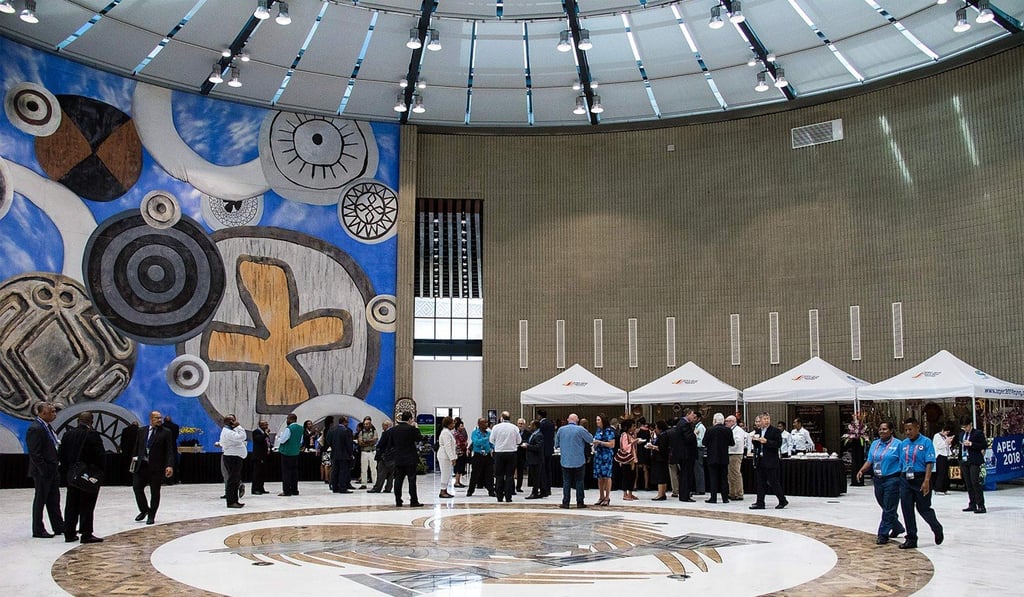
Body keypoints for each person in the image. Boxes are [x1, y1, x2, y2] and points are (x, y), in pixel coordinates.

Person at [58, 411, 105, 544]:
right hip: (87, 475)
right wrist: (99, 473)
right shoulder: (92, 435)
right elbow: (100, 455)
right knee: (87, 505)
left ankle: (69, 532)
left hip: (72, 474)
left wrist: (68, 471)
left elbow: (61, 454)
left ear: (78, 421)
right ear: (91, 421)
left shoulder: (67, 434)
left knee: (71, 504)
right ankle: (86, 533)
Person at [855, 421, 906, 544]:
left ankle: (882, 534)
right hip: (878, 479)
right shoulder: (875, 444)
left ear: (891, 431)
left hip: (892, 479)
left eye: (884, 429)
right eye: (880, 429)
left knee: (889, 507)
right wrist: (861, 470)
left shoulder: (898, 444)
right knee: (884, 505)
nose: (882, 431)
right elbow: (870, 460)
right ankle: (898, 527)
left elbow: (904, 462)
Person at [897, 417, 943, 549]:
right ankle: (911, 538)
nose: (907, 432)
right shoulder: (903, 444)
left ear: (918, 428)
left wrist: (927, 480)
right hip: (906, 478)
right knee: (907, 508)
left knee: (923, 508)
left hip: (921, 477)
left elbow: (930, 462)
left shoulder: (926, 442)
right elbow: (901, 462)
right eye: (905, 430)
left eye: (910, 429)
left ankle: (936, 527)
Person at [26, 401, 64, 538]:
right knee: (40, 500)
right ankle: (38, 529)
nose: (55, 414)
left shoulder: (47, 427)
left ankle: (59, 526)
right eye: (52, 411)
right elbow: (35, 453)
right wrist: (44, 469)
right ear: (42, 413)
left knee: (54, 499)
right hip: (43, 472)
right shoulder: (35, 428)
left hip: (53, 470)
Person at [133, 410, 175, 525]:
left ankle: (152, 515)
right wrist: (133, 462)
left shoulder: (166, 432)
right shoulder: (142, 431)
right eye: (157, 418)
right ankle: (144, 510)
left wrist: (169, 465)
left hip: (156, 467)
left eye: (160, 418)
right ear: (151, 419)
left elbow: (169, 450)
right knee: (137, 488)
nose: (159, 420)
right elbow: (137, 448)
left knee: (155, 492)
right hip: (141, 466)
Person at [381, 411, 423, 507]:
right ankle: (414, 500)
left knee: (398, 480)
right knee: (412, 480)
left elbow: (389, 443)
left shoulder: (394, 430)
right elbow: (419, 438)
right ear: (409, 419)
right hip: (410, 458)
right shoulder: (411, 429)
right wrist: (416, 428)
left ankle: (398, 500)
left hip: (399, 458)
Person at [554, 413, 594, 509]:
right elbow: (590, 439)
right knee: (579, 481)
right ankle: (580, 502)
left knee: (566, 481)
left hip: (565, 460)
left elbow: (556, 444)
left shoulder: (561, 430)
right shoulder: (581, 429)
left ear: (568, 420)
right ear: (577, 420)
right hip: (579, 460)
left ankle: (565, 502)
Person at [749, 413, 788, 510]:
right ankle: (760, 502)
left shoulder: (775, 431)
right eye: (764, 419)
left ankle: (782, 500)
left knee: (774, 482)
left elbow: (778, 444)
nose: (766, 421)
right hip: (760, 459)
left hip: (771, 460)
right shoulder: (758, 431)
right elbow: (757, 446)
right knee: (760, 482)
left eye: (768, 419)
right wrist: (755, 440)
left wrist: (767, 442)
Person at [702, 413, 734, 504]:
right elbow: (732, 443)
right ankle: (725, 498)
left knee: (713, 478)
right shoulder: (728, 430)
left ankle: (713, 498)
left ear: (714, 421)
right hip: (724, 457)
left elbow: (704, 442)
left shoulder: (709, 430)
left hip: (712, 457)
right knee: (724, 478)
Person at [959, 416, 987, 514]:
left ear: (970, 424)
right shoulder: (962, 434)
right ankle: (972, 504)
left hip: (974, 460)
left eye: (966, 427)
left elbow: (984, 445)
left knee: (975, 482)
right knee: (968, 483)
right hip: (964, 460)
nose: (964, 429)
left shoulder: (978, 433)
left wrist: (971, 444)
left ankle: (981, 505)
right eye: (963, 427)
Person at [491, 412, 520, 503]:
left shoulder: (496, 427)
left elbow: (491, 440)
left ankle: (499, 496)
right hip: (511, 453)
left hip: (499, 453)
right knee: (509, 476)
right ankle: (508, 497)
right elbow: (519, 441)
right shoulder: (514, 427)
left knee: (499, 475)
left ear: (501, 418)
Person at [219, 414, 247, 508]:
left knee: (235, 480)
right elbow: (242, 437)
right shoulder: (228, 432)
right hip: (232, 457)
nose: (235, 422)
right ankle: (231, 501)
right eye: (233, 421)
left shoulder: (230, 431)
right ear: (231, 422)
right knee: (232, 480)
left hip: (234, 457)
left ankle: (234, 500)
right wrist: (239, 426)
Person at [671, 409, 698, 502]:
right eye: (692, 414)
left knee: (684, 474)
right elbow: (688, 438)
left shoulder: (681, 423)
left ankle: (684, 494)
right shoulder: (685, 424)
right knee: (686, 475)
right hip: (686, 454)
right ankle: (685, 495)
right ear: (687, 414)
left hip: (683, 454)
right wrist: (695, 434)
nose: (693, 416)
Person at [275, 413, 303, 496]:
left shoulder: (289, 428)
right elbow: (301, 441)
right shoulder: (301, 428)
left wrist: (278, 438)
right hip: (295, 452)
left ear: (291, 419)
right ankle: (295, 490)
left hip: (287, 453)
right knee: (294, 472)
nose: (287, 421)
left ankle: (287, 491)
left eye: (287, 419)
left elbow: (283, 440)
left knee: (286, 472)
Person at [591, 414, 616, 506]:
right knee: (599, 477)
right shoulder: (598, 430)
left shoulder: (609, 431)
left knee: (607, 476)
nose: (597, 421)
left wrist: (600, 442)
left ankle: (607, 497)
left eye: (598, 420)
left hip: (606, 455)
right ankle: (601, 496)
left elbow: (612, 444)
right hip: (598, 455)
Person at [467, 417, 494, 497]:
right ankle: (470, 491)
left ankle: (491, 491)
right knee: (475, 474)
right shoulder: (475, 433)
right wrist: (486, 439)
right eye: (484, 423)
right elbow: (476, 442)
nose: (486, 424)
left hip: (487, 455)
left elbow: (491, 443)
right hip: (478, 455)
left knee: (489, 474)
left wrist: (493, 447)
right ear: (479, 424)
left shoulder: (489, 433)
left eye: (486, 422)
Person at [327, 415, 355, 493]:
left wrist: (333, 446)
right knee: (343, 471)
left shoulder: (332, 430)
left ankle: (335, 487)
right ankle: (342, 488)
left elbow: (328, 440)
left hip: (334, 454)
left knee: (335, 471)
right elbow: (348, 444)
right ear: (344, 422)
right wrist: (351, 454)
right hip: (344, 455)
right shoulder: (346, 431)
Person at [369, 419, 395, 493]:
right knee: (391, 474)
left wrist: (378, 448)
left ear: (386, 426)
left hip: (384, 456)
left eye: (383, 426)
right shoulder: (394, 432)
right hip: (393, 456)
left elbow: (381, 445)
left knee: (381, 473)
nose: (382, 428)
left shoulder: (386, 433)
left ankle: (377, 488)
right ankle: (388, 488)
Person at [617, 418, 639, 502]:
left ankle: (630, 493)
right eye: (633, 426)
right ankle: (625, 494)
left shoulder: (630, 435)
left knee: (632, 476)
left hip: (632, 458)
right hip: (627, 459)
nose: (634, 428)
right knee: (627, 476)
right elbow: (625, 447)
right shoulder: (624, 435)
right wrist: (634, 442)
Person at [726, 415, 746, 501]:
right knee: (730, 475)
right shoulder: (732, 430)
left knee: (735, 474)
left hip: (735, 453)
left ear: (732, 421)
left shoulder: (738, 430)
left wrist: (727, 444)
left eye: (727, 421)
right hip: (731, 453)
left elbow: (736, 442)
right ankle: (732, 492)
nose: (725, 423)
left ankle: (739, 493)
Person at [437, 416, 457, 498]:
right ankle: (442, 491)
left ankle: (445, 490)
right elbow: (448, 446)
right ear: (448, 424)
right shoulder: (445, 433)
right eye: (452, 423)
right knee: (445, 473)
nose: (453, 424)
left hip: (446, 456)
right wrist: (452, 458)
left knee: (448, 473)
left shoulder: (448, 432)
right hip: (444, 456)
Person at [538, 409, 555, 497]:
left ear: (539, 416)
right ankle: (549, 488)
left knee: (543, 470)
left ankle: (543, 488)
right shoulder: (551, 423)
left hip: (543, 449)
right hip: (549, 448)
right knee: (548, 469)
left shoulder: (541, 424)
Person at [931, 423, 953, 495]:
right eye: (946, 432)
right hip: (940, 455)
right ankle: (938, 488)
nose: (947, 433)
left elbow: (947, 446)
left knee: (946, 473)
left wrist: (949, 442)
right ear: (943, 430)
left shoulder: (944, 436)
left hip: (945, 455)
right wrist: (946, 442)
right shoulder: (937, 436)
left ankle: (945, 488)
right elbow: (939, 446)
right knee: (941, 473)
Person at [357, 416, 378, 490]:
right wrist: (369, 442)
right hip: (364, 452)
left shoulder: (374, 431)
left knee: (373, 469)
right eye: (365, 424)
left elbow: (375, 440)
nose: (366, 425)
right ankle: (363, 484)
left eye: (367, 424)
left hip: (372, 452)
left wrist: (366, 441)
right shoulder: (361, 432)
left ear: (370, 424)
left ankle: (375, 484)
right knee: (363, 469)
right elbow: (360, 443)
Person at [251, 420, 271, 495]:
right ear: (260, 425)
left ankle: (261, 488)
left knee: (262, 473)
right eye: (265, 425)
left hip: (264, 456)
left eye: (267, 424)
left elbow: (266, 442)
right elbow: (259, 439)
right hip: (258, 456)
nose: (267, 426)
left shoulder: (264, 433)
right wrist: (266, 434)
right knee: (257, 473)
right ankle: (255, 489)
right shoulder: (256, 432)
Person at [162, 415, 181, 484]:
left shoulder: (161, 427)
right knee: (173, 461)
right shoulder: (175, 427)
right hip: (173, 445)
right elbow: (176, 436)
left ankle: (163, 479)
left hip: (162, 446)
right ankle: (173, 479)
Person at [692, 412, 706, 495]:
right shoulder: (696, 427)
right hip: (696, 449)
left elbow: (701, 441)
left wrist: (693, 442)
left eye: (694, 417)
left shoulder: (701, 428)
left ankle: (700, 489)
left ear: (698, 418)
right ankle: (698, 487)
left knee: (698, 469)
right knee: (696, 469)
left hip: (699, 449)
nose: (693, 419)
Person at [453, 418, 469, 488]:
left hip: (463, 451)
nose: (463, 427)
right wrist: (465, 444)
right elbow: (458, 444)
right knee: (458, 467)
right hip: (459, 452)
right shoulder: (456, 434)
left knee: (461, 467)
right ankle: (456, 482)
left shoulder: (461, 433)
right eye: (461, 426)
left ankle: (459, 481)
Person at [515, 418, 530, 493]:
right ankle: (511, 487)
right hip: (514, 453)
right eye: (519, 423)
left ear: (524, 425)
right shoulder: (514, 431)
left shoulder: (527, 433)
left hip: (522, 454)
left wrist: (521, 443)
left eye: (522, 424)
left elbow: (528, 441)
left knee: (520, 472)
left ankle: (518, 487)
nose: (520, 425)